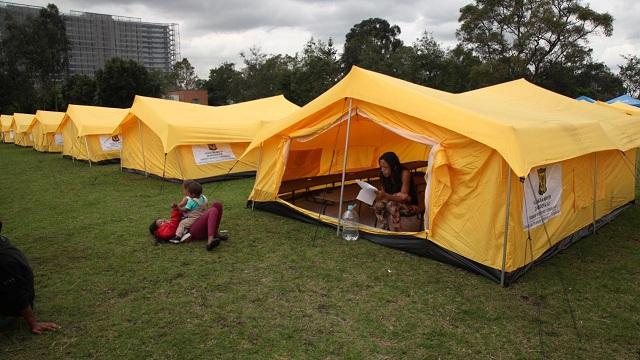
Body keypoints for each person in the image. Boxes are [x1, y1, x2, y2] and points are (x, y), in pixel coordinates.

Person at [0, 220, 60, 334]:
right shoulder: (3, 240)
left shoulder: (4, 260)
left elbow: (15, 292)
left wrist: (33, 322)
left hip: (11, 305)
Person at [150, 202, 228, 251]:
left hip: (194, 223)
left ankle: (214, 233)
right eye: (161, 222)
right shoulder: (162, 232)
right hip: (193, 231)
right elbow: (173, 228)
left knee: (217, 205)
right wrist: (175, 210)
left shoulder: (169, 224)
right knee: (213, 210)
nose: (164, 221)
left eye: (163, 220)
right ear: (157, 229)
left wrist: (182, 208)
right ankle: (209, 242)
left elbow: (178, 219)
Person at [373, 152, 420, 232]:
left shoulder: (404, 173)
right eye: (381, 167)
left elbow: (403, 198)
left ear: (393, 166)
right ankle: (385, 228)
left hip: (409, 205)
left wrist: (387, 196)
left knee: (392, 205)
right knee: (378, 205)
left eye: (385, 167)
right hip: (391, 201)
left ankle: (396, 231)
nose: (382, 170)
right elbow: (384, 195)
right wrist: (379, 197)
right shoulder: (383, 175)